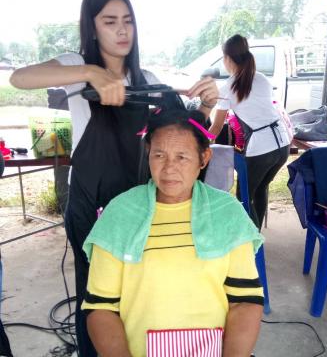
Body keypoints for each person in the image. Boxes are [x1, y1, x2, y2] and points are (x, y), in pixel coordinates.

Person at [9, 0, 218, 356]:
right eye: (110, 22)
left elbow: (185, 134)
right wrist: (92, 72)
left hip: (139, 203)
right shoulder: (76, 67)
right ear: (92, 28)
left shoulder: (147, 80)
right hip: (90, 202)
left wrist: (205, 108)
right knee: (96, 297)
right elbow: (19, 79)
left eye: (127, 21)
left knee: (136, 289)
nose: (122, 30)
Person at [81, 108, 264, 357]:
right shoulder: (121, 214)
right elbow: (100, 307)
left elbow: (245, 301)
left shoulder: (226, 213)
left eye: (182, 157)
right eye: (159, 155)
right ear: (148, 153)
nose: (169, 168)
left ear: (204, 158)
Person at [209, 34, 290, 229]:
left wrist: (201, 142)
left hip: (262, 148)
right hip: (283, 144)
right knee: (259, 189)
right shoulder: (261, 79)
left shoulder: (228, 87)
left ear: (228, 59)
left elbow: (217, 127)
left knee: (244, 196)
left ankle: (253, 240)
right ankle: (257, 236)